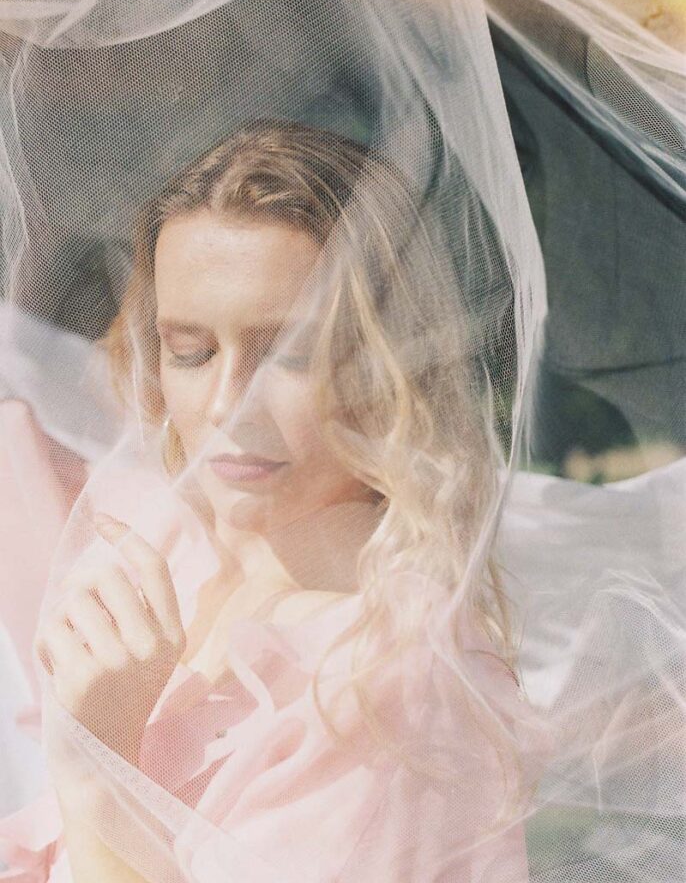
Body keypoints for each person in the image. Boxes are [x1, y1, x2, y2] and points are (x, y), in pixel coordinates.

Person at [0, 120, 551, 882]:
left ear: (390, 362)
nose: (231, 404)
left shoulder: (398, 686)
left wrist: (99, 771)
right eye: (190, 352)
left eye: (290, 354)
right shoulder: (169, 553)